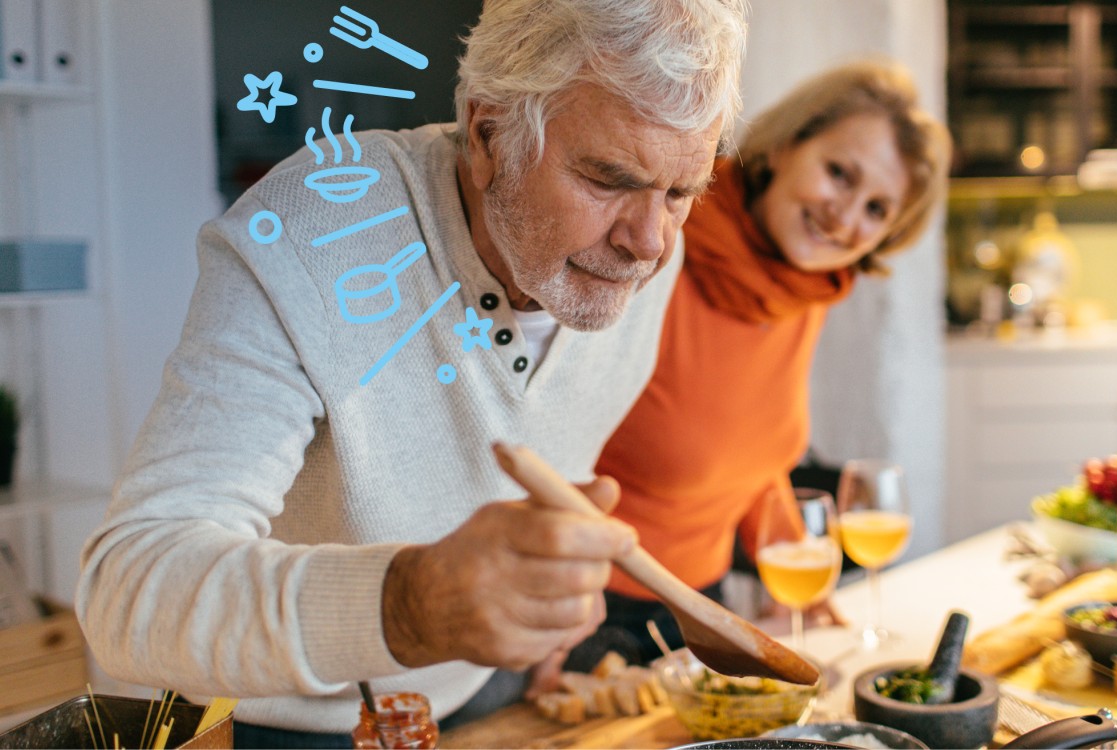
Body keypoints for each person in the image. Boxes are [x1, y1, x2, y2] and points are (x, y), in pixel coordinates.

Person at [74, 0, 746, 746]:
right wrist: (407, 605)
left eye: (683, 191)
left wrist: (541, 603)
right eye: (607, 178)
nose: (648, 241)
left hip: (479, 694)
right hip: (271, 722)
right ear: (489, 134)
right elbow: (130, 594)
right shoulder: (311, 239)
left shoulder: (638, 256)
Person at [581, 60, 951, 666]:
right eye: (838, 173)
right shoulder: (655, 242)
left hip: (704, 605)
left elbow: (751, 455)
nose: (844, 218)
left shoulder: (802, 289)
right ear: (785, 146)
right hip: (591, 616)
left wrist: (797, 574)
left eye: (877, 209)